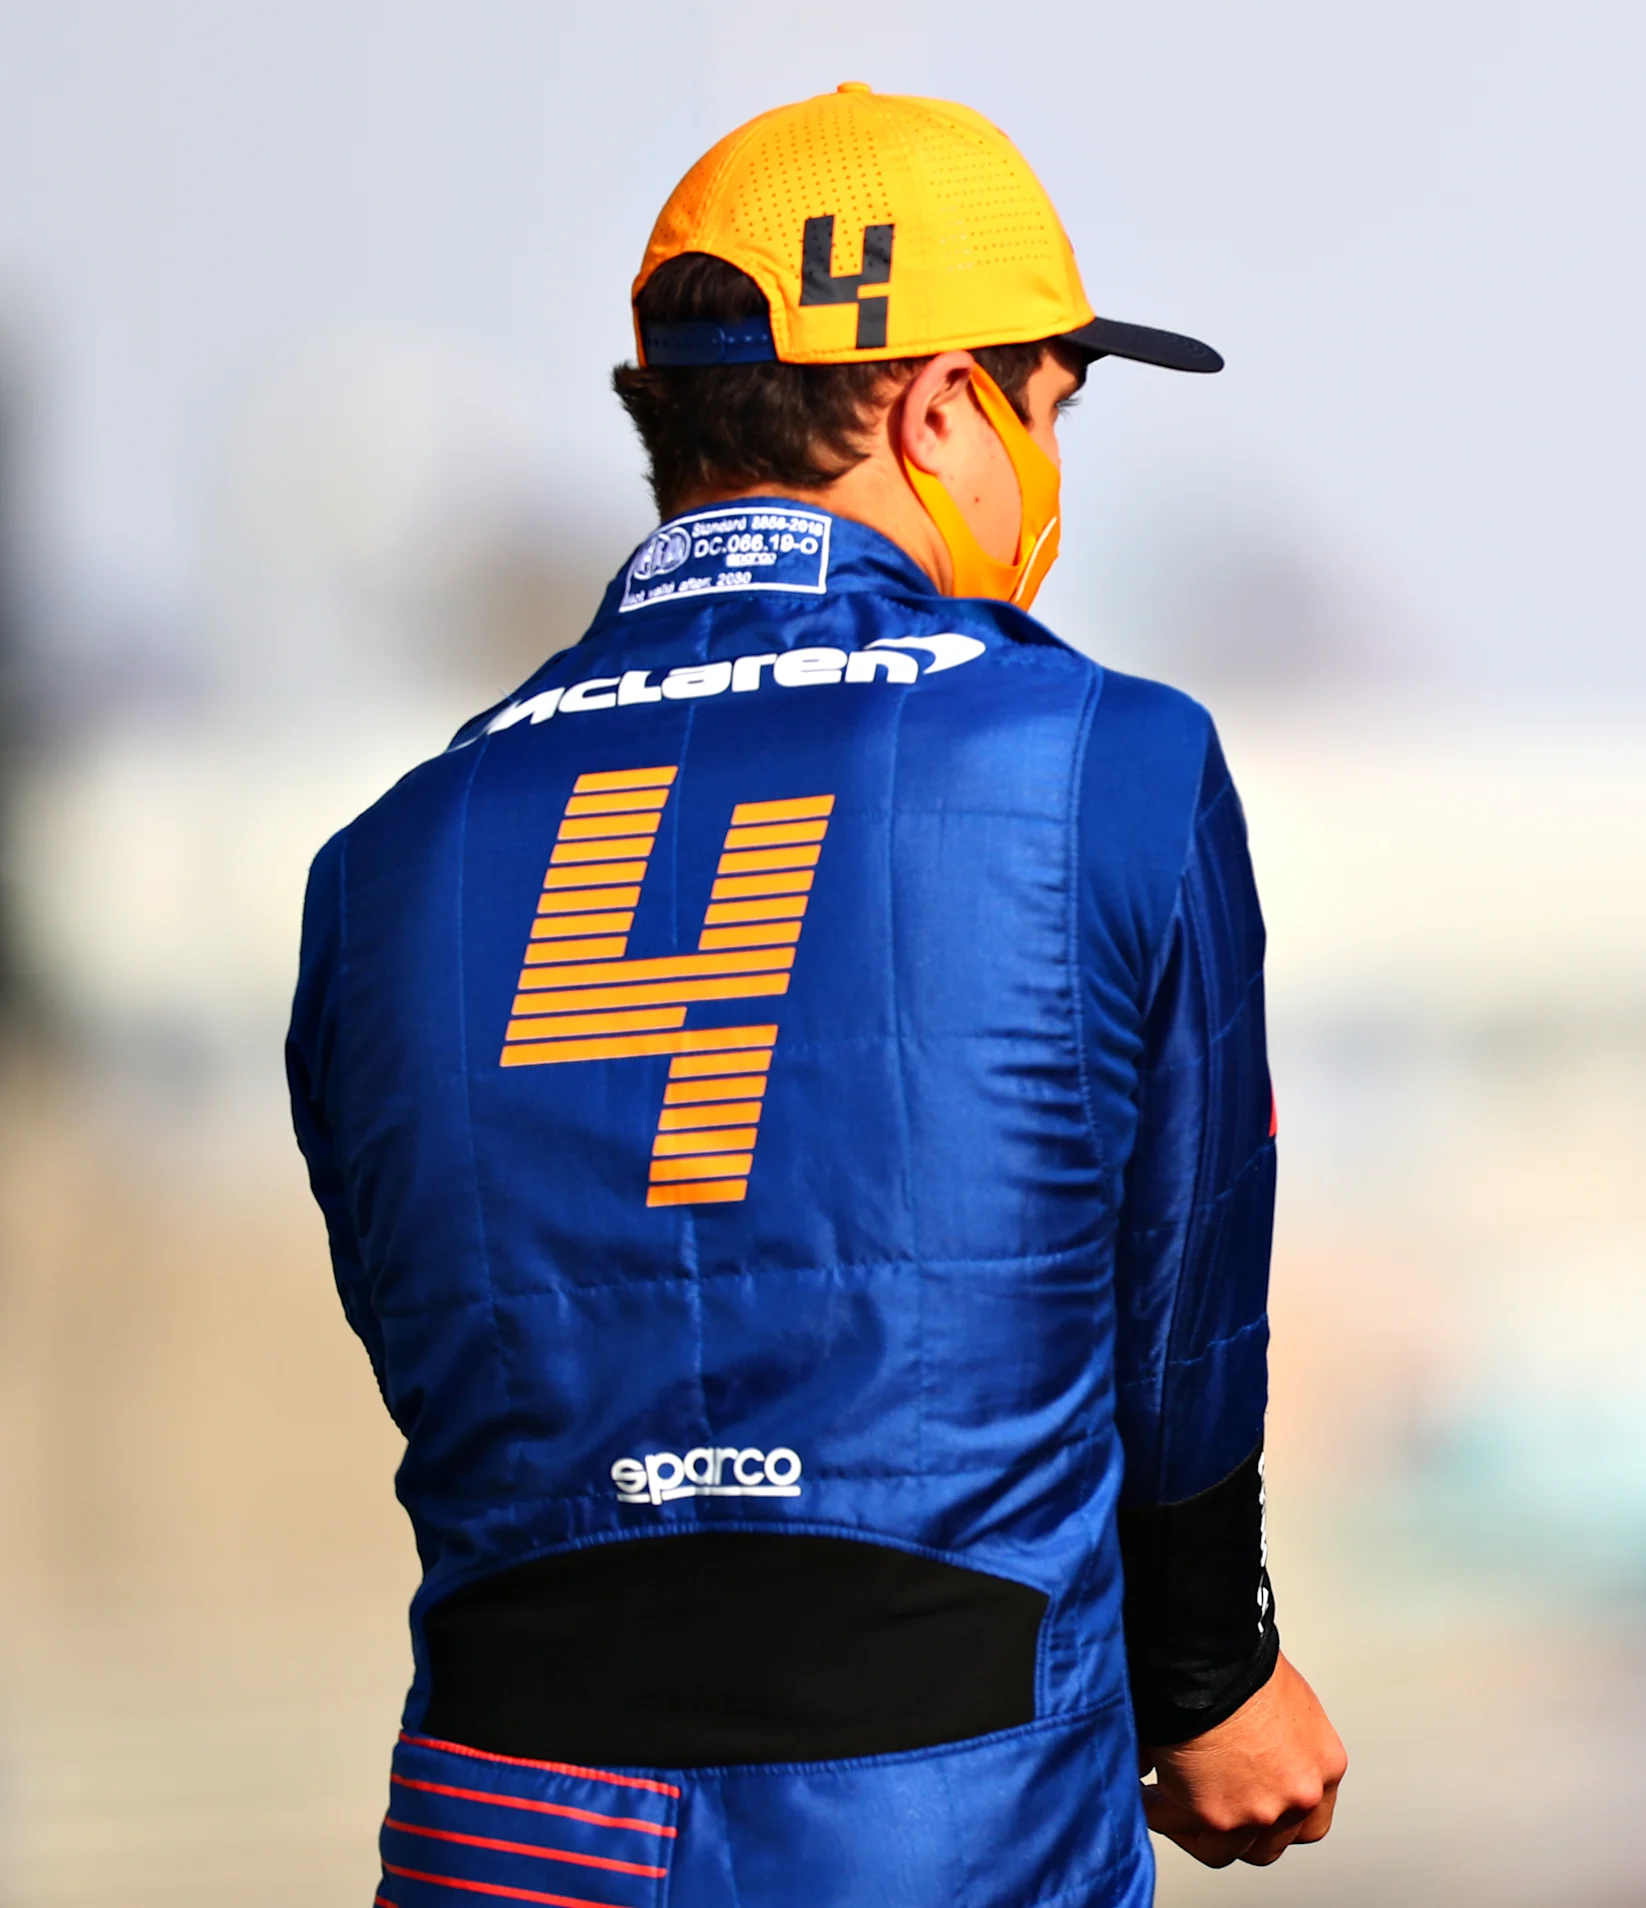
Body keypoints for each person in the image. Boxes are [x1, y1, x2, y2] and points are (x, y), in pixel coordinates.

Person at [287, 84, 1342, 1908]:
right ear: (941, 410)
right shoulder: (1108, 760)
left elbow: (429, 1341)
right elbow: (1182, 1336)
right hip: (940, 1805)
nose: (1051, 481)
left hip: (502, 1822)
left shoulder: (383, 854)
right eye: (1052, 411)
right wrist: (1209, 1675)